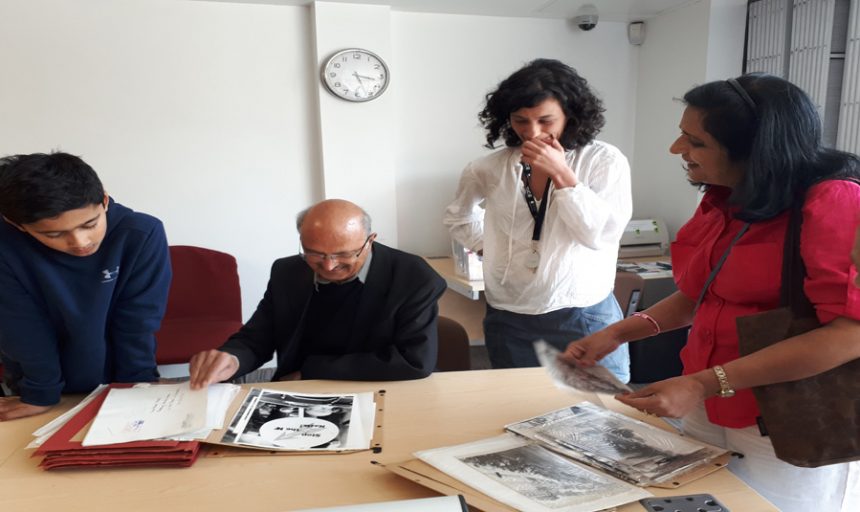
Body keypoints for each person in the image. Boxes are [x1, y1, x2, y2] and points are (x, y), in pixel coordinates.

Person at [562, 73, 860, 512]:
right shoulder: (727, 195)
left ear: (754, 150)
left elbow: (848, 334)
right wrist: (618, 333)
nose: (676, 150)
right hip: (705, 400)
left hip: (789, 414)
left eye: (695, 142)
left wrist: (704, 383)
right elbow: (700, 296)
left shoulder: (833, 201)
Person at [443, 58, 632, 381]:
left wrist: (562, 174)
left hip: (581, 312)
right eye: (520, 121)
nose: (532, 133)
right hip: (509, 313)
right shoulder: (487, 168)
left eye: (546, 121)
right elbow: (458, 216)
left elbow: (599, 236)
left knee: (601, 411)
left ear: (570, 115)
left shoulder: (603, 160)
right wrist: (491, 249)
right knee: (520, 409)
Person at [189, 199, 446, 388]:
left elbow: (414, 361)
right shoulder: (287, 272)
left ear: (370, 240)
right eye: (315, 253)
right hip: (298, 393)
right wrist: (232, 359)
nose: (329, 266)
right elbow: (258, 337)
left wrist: (312, 371)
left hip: (381, 389)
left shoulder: (413, 277)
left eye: (344, 254)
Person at [0, 152, 171, 421]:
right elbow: (20, 329)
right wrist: (40, 393)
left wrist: (136, 386)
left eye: (90, 224)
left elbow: (137, 322)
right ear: (15, 225)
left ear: (104, 199)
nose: (80, 242)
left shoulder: (140, 233)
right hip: (37, 384)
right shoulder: (6, 249)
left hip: (119, 379)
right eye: (54, 234)